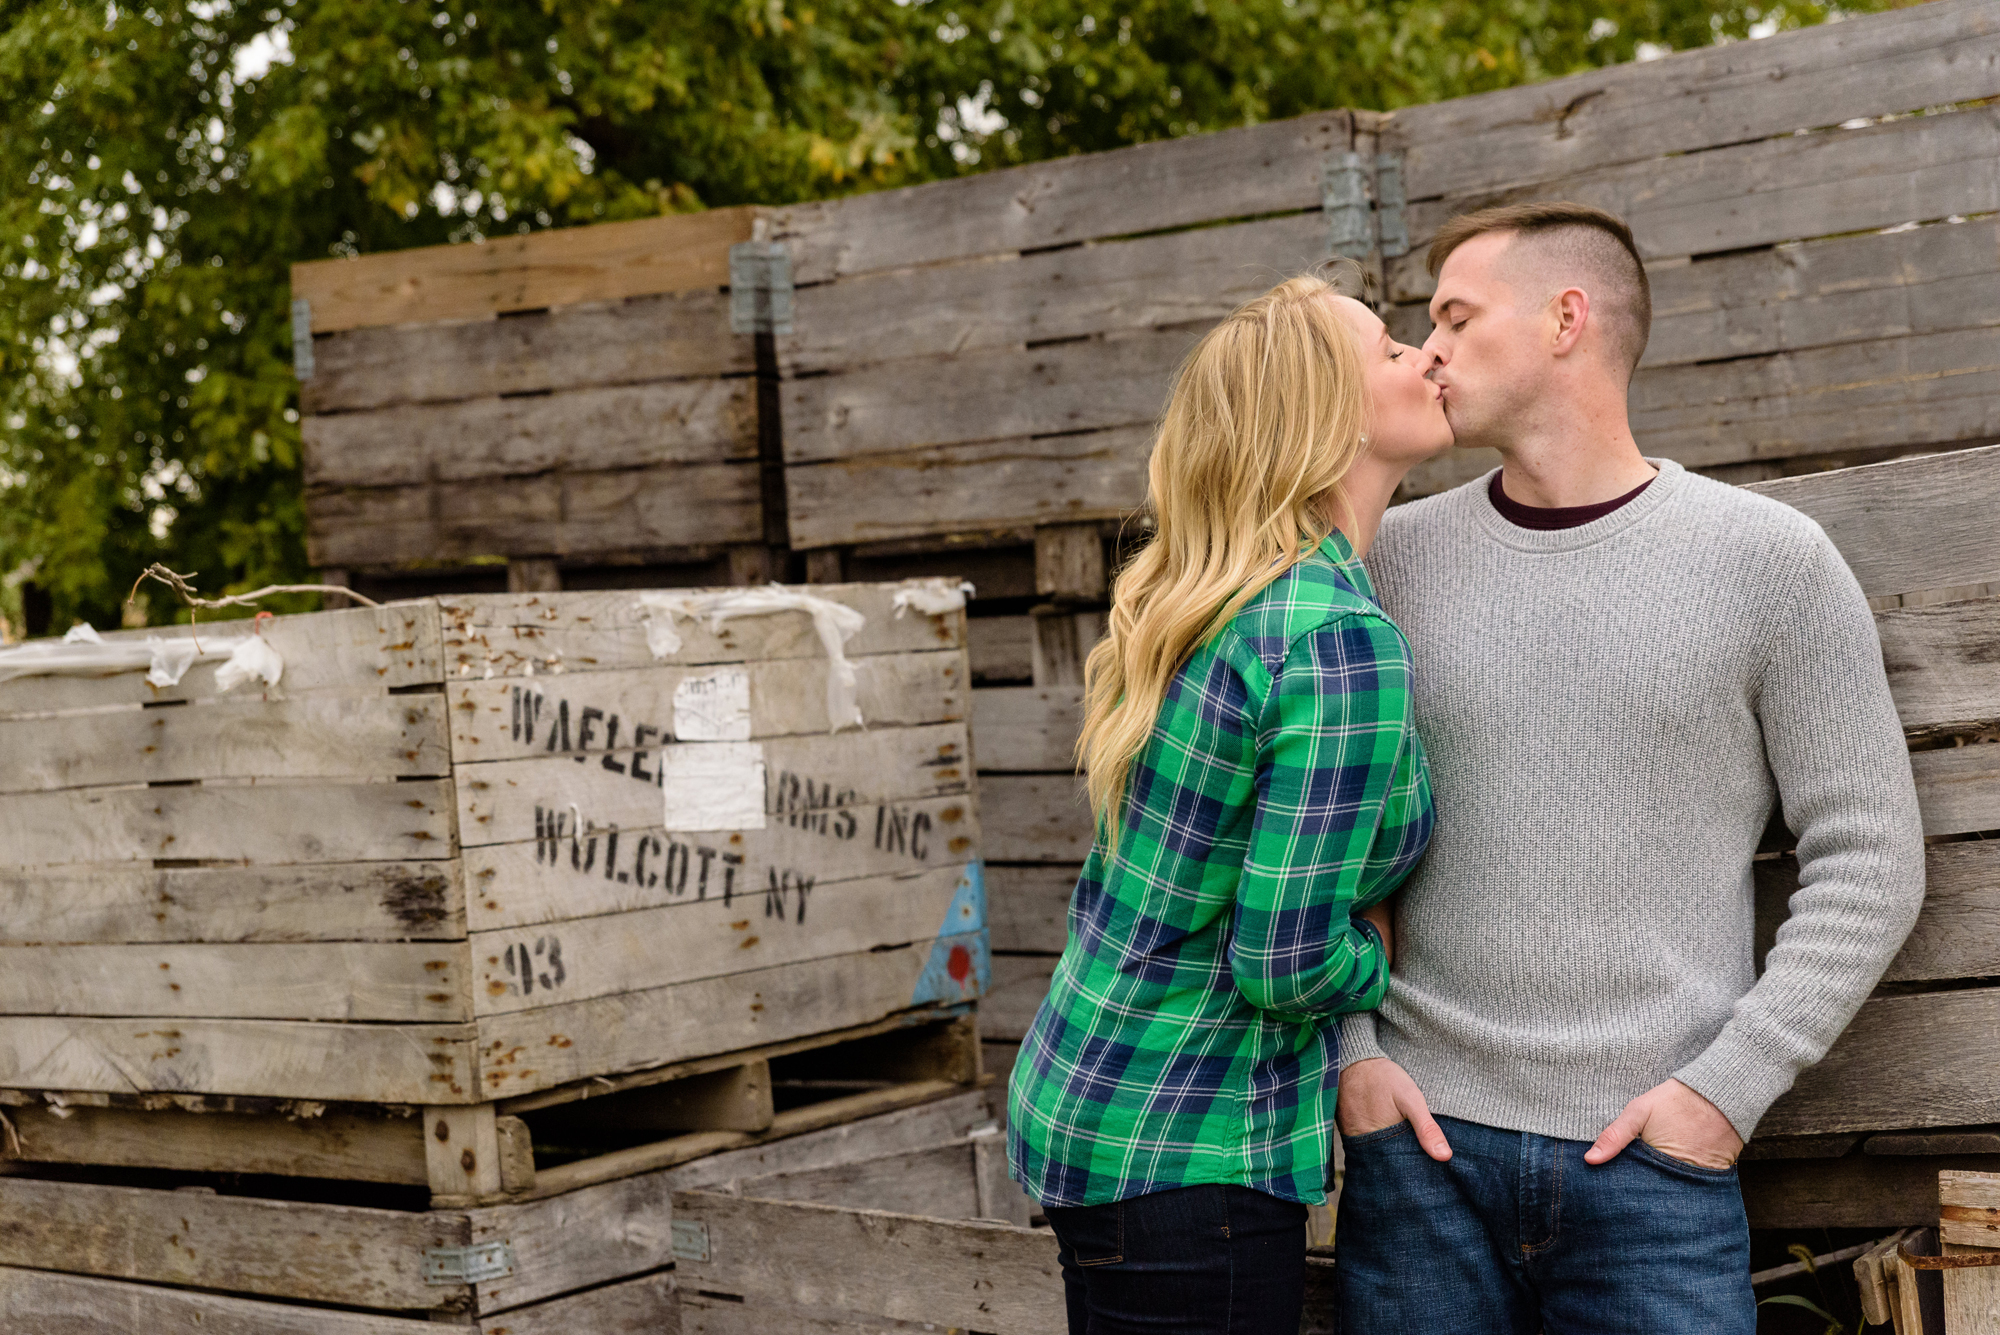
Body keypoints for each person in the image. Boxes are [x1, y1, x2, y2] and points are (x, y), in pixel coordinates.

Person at [1332, 202, 1927, 1333]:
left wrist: (1721, 1093)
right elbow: (1326, 841)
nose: (1431, 350)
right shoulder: (1392, 562)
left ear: (1565, 318)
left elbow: (1869, 859)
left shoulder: (1767, 562)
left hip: (1653, 1171)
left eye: (1455, 315)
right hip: (1418, 1158)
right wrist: (1352, 1061)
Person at [1007, 267, 1453, 1334]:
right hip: (1183, 1138)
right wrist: (1385, 954)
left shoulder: (1226, 597)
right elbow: (1284, 959)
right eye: (1390, 350)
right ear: (1324, 419)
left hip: (1100, 1094)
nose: (1425, 354)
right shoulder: (1333, 636)